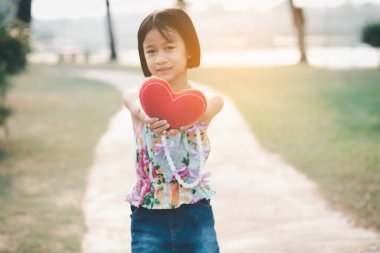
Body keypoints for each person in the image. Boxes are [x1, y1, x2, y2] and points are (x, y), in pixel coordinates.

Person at [123, 7, 223, 253]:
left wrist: (187, 113)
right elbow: (137, 106)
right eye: (151, 51)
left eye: (169, 47)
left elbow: (212, 104)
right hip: (149, 217)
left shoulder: (204, 102)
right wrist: (150, 115)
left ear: (189, 49)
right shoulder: (135, 97)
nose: (160, 58)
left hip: (195, 213)